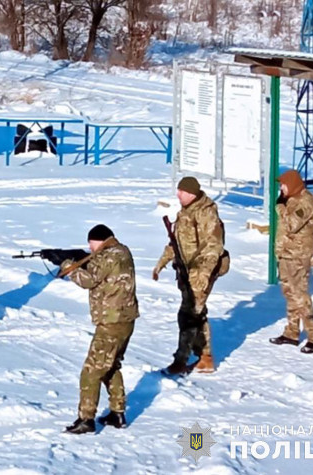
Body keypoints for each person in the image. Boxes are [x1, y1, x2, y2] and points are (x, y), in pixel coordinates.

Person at [61, 224, 139, 434]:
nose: (89, 247)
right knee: (110, 365)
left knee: (91, 371)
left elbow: (88, 280)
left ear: (99, 240)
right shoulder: (122, 250)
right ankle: (117, 412)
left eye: (91, 243)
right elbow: (101, 271)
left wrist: (68, 265)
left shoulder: (108, 256)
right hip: (125, 320)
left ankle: (86, 419)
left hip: (111, 322)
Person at [153, 176, 228, 375]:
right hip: (187, 273)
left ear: (192, 194)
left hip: (200, 274)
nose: (178, 195)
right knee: (197, 315)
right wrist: (161, 264)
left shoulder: (206, 214)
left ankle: (181, 360)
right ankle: (205, 357)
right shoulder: (185, 212)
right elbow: (176, 243)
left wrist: (201, 275)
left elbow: (214, 247)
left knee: (187, 316)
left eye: (182, 192)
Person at [269, 169, 313, 353]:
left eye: (283, 184)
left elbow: (292, 225)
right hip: (286, 254)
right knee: (290, 294)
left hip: (297, 256)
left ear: (292, 184)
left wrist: (280, 207)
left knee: (300, 295)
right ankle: (291, 332)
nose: (281, 188)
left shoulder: (305, 202)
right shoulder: (290, 199)